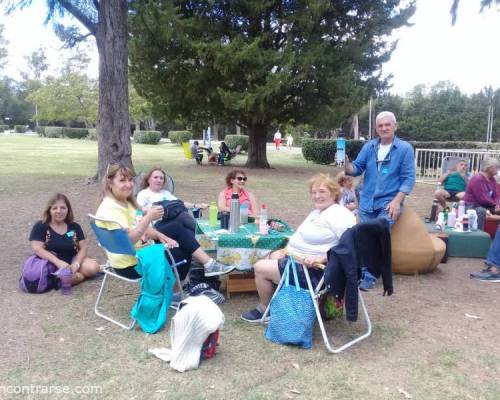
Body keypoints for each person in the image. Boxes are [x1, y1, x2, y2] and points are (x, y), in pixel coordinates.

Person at [240, 174, 356, 322]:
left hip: (316, 271)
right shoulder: (319, 212)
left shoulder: (339, 214)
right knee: (271, 255)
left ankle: (265, 309)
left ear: (334, 194)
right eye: (313, 192)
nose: (317, 196)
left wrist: (321, 258)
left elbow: (348, 247)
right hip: (300, 261)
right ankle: (283, 305)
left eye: (322, 192)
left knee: (259, 267)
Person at [96, 165, 235, 282]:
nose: (128, 184)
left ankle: (207, 263)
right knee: (181, 246)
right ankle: (204, 264)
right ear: (110, 183)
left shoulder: (124, 202)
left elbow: (138, 227)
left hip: (135, 255)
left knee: (179, 232)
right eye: (122, 180)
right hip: (132, 265)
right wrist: (148, 218)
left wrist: (160, 235)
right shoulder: (112, 208)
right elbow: (129, 240)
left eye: (130, 180)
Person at [345, 111, 415, 290]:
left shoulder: (405, 149)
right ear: (376, 128)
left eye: (387, 124)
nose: (384, 128)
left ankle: (370, 276)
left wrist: (397, 201)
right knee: (363, 236)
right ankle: (363, 271)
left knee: (376, 232)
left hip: (388, 203)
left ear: (395, 126)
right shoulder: (369, 147)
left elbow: (408, 179)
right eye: (380, 125)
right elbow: (357, 168)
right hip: (367, 202)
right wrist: (345, 164)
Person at [29, 193, 100, 286]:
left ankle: (76, 275)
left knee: (94, 268)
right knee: (65, 278)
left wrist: (76, 264)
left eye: (63, 208)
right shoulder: (41, 226)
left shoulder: (74, 227)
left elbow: (83, 248)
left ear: (68, 210)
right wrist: (58, 262)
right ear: (49, 210)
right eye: (55, 208)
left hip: (72, 261)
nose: (59, 211)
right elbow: (37, 249)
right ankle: (79, 276)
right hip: (50, 264)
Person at [463, 158, 500, 231]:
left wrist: (497, 205)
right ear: (489, 167)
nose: (498, 169)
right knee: (481, 211)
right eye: (497, 167)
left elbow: (496, 195)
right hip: (472, 206)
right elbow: (482, 199)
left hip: (487, 205)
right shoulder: (477, 178)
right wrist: (495, 206)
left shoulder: (492, 179)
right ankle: (479, 233)